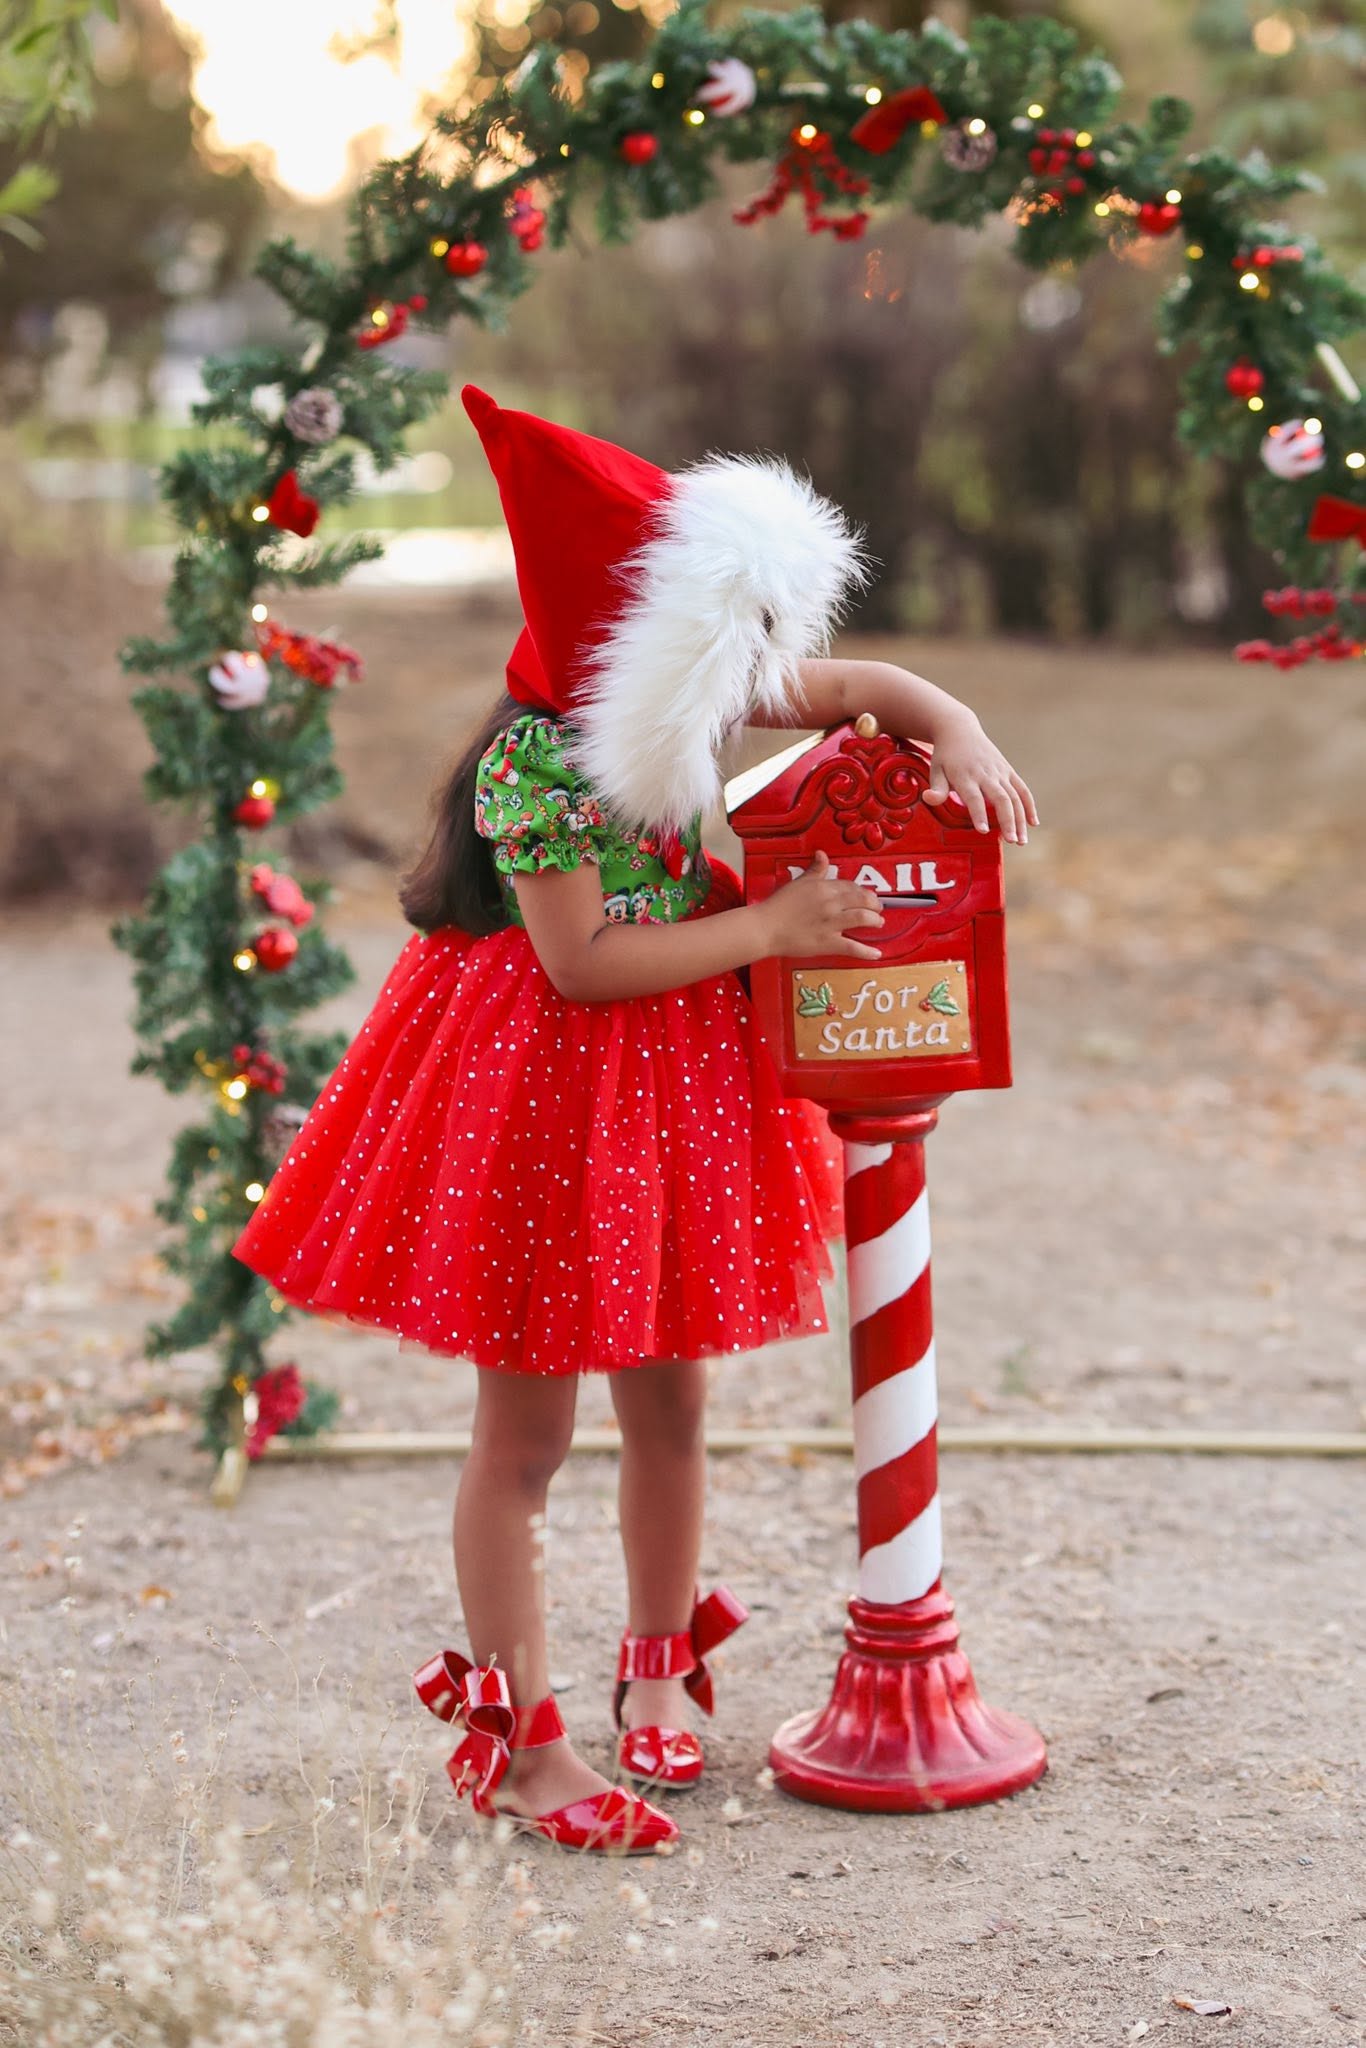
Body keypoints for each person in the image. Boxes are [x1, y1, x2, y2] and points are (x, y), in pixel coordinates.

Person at [232, 386, 1037, 1855]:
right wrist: (775, 923)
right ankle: (519, 1738)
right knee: (524, 1434)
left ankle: (660, 1659)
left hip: (672, 1094)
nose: (754, 673)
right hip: (548, 1089)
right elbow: (582, 965)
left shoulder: (693, 686)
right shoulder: (543, 761)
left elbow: (867, 687)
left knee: (671, 1402)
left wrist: (956, 727)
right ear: (634, 641)